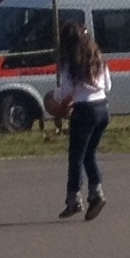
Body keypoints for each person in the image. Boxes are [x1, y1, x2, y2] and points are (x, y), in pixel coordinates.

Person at [52, 21, 112, 220]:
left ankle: (74, 200)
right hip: (102, 108)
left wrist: (57, 102)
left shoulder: (70, 61)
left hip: (85, 110)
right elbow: (108, 86)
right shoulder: (97, 57)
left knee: (76, 157)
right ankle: (96, 193)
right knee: (89, 154)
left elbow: (67, 92)